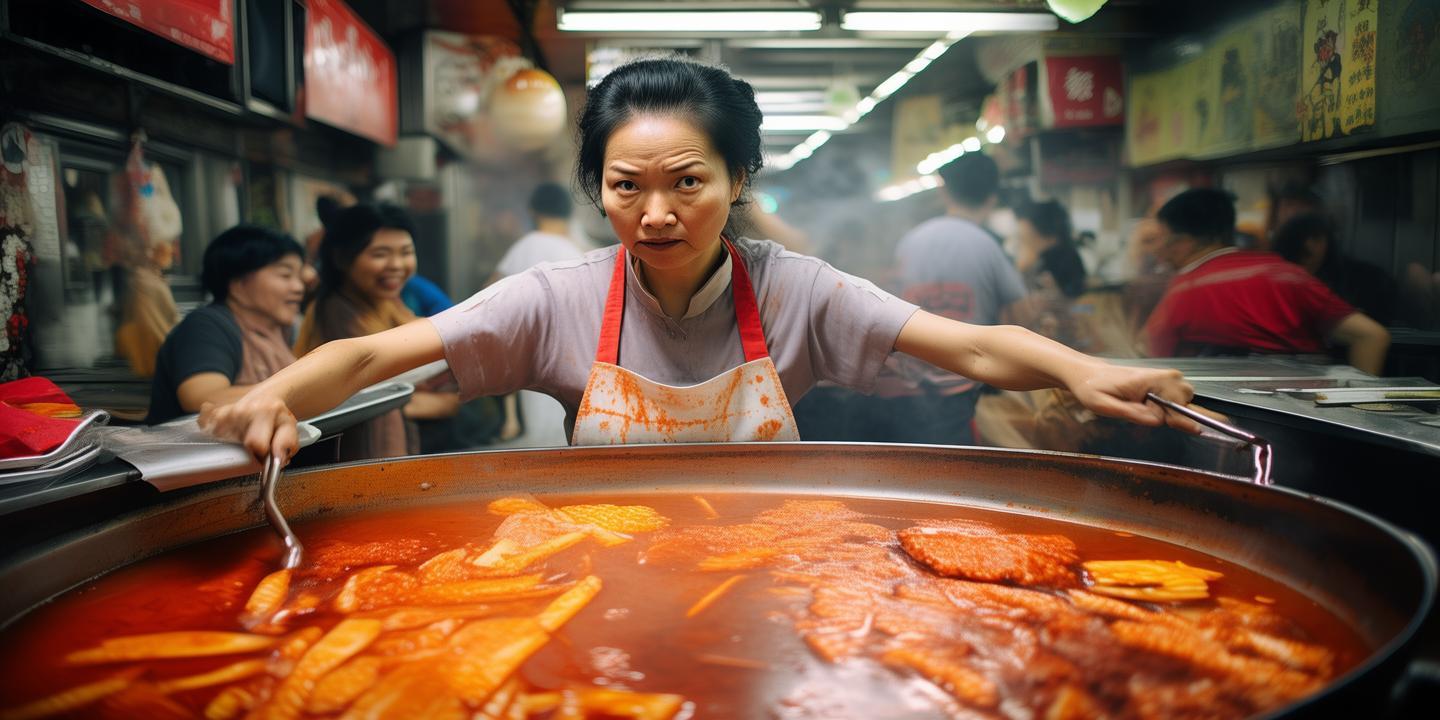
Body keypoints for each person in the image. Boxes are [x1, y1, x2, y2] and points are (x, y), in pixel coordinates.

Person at [202, 57, 1199, 463]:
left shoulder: (795, 288)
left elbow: (973, 350)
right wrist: (275, 394)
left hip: (780, 578)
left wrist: (1084, 369)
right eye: (625, 185)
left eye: (689, 182)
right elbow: (376, 358)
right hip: (603, 586)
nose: (657, 212)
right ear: (597, 188)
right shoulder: (556, 299)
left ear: (740, 180)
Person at [852, 153, 1028, 445]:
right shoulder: (989, 245)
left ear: (944, 191)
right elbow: (1022, 318)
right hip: (966, 393)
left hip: (906, 391)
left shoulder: (911, 240)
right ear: (992, 196)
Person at [1144, 189, 1390, 374]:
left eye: (1164, 240)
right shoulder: (1285, 274)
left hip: (1232, 425)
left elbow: (1150, 359)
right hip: (1309, 418)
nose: (1159, 251)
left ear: (1184, 242)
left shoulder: (1185, 288)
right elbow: (1371, 336)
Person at [296, 202, 460, 460]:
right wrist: (440, 402)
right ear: (342, 258)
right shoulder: (336, 312)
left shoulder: (389, 303)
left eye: (406, 252)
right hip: (356, 456)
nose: (396, 265)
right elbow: (362, 389)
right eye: (380, 254)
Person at [146, 226, 304, 424]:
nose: (299, 287)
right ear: (238, 284)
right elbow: (201, 398)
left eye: (299, 276)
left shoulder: (281, 329)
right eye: (285, 275)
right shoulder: (206, 326)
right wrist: (303, 388)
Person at [490, 182, 586, 447]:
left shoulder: (527, 245)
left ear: (533, 211)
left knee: (537, 438)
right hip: (572, 353)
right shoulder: (575, 251)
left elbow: (489, 293)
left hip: (532, 351)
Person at [1272, 211, 1397, 327]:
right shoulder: (1275, 280)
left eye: (1316, 238)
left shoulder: (1365, 279)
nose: (1308, 245)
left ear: (1328, 243)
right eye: (1300, 238)